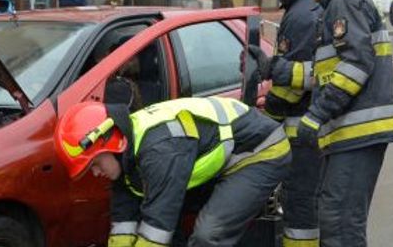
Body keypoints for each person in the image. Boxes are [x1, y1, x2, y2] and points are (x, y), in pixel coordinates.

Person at [279, 0, 393, 246]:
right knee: (334, 217)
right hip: (349, 134)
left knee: (340, 223)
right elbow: (329, 72)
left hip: (357, 132)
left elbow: (356, 65)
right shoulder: (343, 3)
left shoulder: (346, 2)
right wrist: (277, 69)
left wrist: (316, 114)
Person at [55, 97, 291, 247]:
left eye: (94, 164)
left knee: (208, 235)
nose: (95, 174)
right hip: (222, 153)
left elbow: (156, 232)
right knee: (167, 219)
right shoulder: (126, 151)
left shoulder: (159, 152)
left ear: (111, 143)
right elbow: (124, 222)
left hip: (259, 152)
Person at [253, 0, 323, 246]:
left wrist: (264, 122)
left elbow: (291, 88)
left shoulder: (300, 16)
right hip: (311, 132)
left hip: (302, 134)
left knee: (300, 208)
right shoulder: (305, 10)